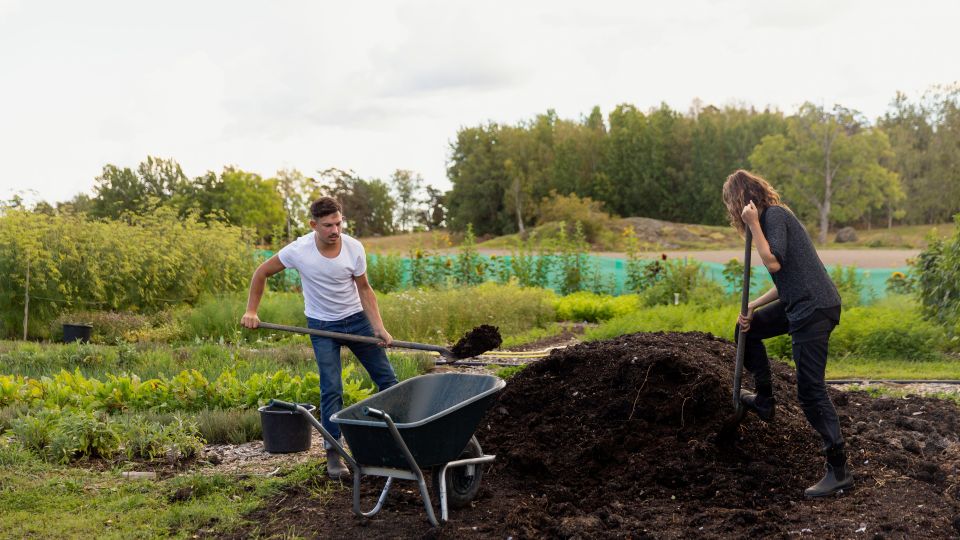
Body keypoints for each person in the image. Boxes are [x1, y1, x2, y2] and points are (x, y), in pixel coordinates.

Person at [240, 196, 398, 479]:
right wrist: (252, 310)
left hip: (357, 322)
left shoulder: (353, 248)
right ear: (314, 224)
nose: (335, 230)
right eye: (327, 225)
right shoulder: (299, 250)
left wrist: (379, 328)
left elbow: (364, 289)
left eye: (338, 223)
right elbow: (262, 272)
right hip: (322, 326)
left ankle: (400, 441)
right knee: (331, 389)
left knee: (388, 381)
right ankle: (333, 453)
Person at [722, 169, 853, 498]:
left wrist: (753, 223)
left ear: (742, 199)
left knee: (810, 393)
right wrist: (754, 303)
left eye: (731, 204)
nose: (732, 212)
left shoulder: (774, 216)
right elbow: (787, 280)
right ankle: (764, 399)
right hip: (800, 302)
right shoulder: (768, 223)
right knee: (746, 329)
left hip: (814, 309)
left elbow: (775, 262)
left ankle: (839, 471)